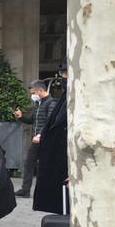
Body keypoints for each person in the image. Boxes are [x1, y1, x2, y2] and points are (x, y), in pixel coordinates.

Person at [12, 80, 58, 198]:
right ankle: (25, 190)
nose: (32, 95)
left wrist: (41, 135)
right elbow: (31, 120)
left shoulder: (51, 103)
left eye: (33, 93)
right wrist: (21, 117)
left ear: (40, 91)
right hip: (36, 140)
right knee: (29, 163)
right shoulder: (38, 104)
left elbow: (50, 122)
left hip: (46, 140)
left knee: (46, 165)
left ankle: (47, 192)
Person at [33, 65, 69, 214]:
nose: (63, 78)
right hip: (50, 149)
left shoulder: (53, 102)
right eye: (62, 74)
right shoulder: (60, 100)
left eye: (65, 74)